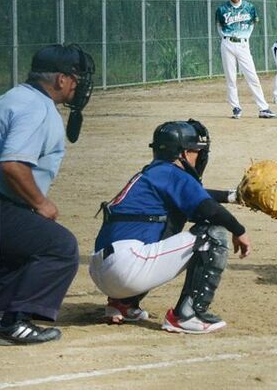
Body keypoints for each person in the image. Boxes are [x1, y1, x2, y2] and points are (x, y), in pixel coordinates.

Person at [0, 44, 95, 345]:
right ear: (61, 80)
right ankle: (15, 323)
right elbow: (12, 164)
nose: (80, 85)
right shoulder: (38, 108)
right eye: (77, 78)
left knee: (26, 241)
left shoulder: (17, 95)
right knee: (59, 246)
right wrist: (41, 202)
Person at [88, 119, 252, 334]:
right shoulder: (172, 173)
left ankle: (123, 304)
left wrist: (233, 197)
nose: (199, 156)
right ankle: (187, 315)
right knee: (212, 233)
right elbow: (208, 208)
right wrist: (239, 231)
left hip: (103, 268)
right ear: (182, 153)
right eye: (195, 151)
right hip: (126, 268)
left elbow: (194, 196)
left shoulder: (154, 173)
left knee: (171, 220)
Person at [215, 0, 276, 120]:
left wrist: (245, 37)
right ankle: (236, 107)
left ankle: (263, 108)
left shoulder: (249, 7)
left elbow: (253, 23)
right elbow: (219, 27)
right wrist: (225, 37)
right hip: (227, 44)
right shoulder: (222, 9)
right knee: (231, 77)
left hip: (243, 44)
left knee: (252, 76)